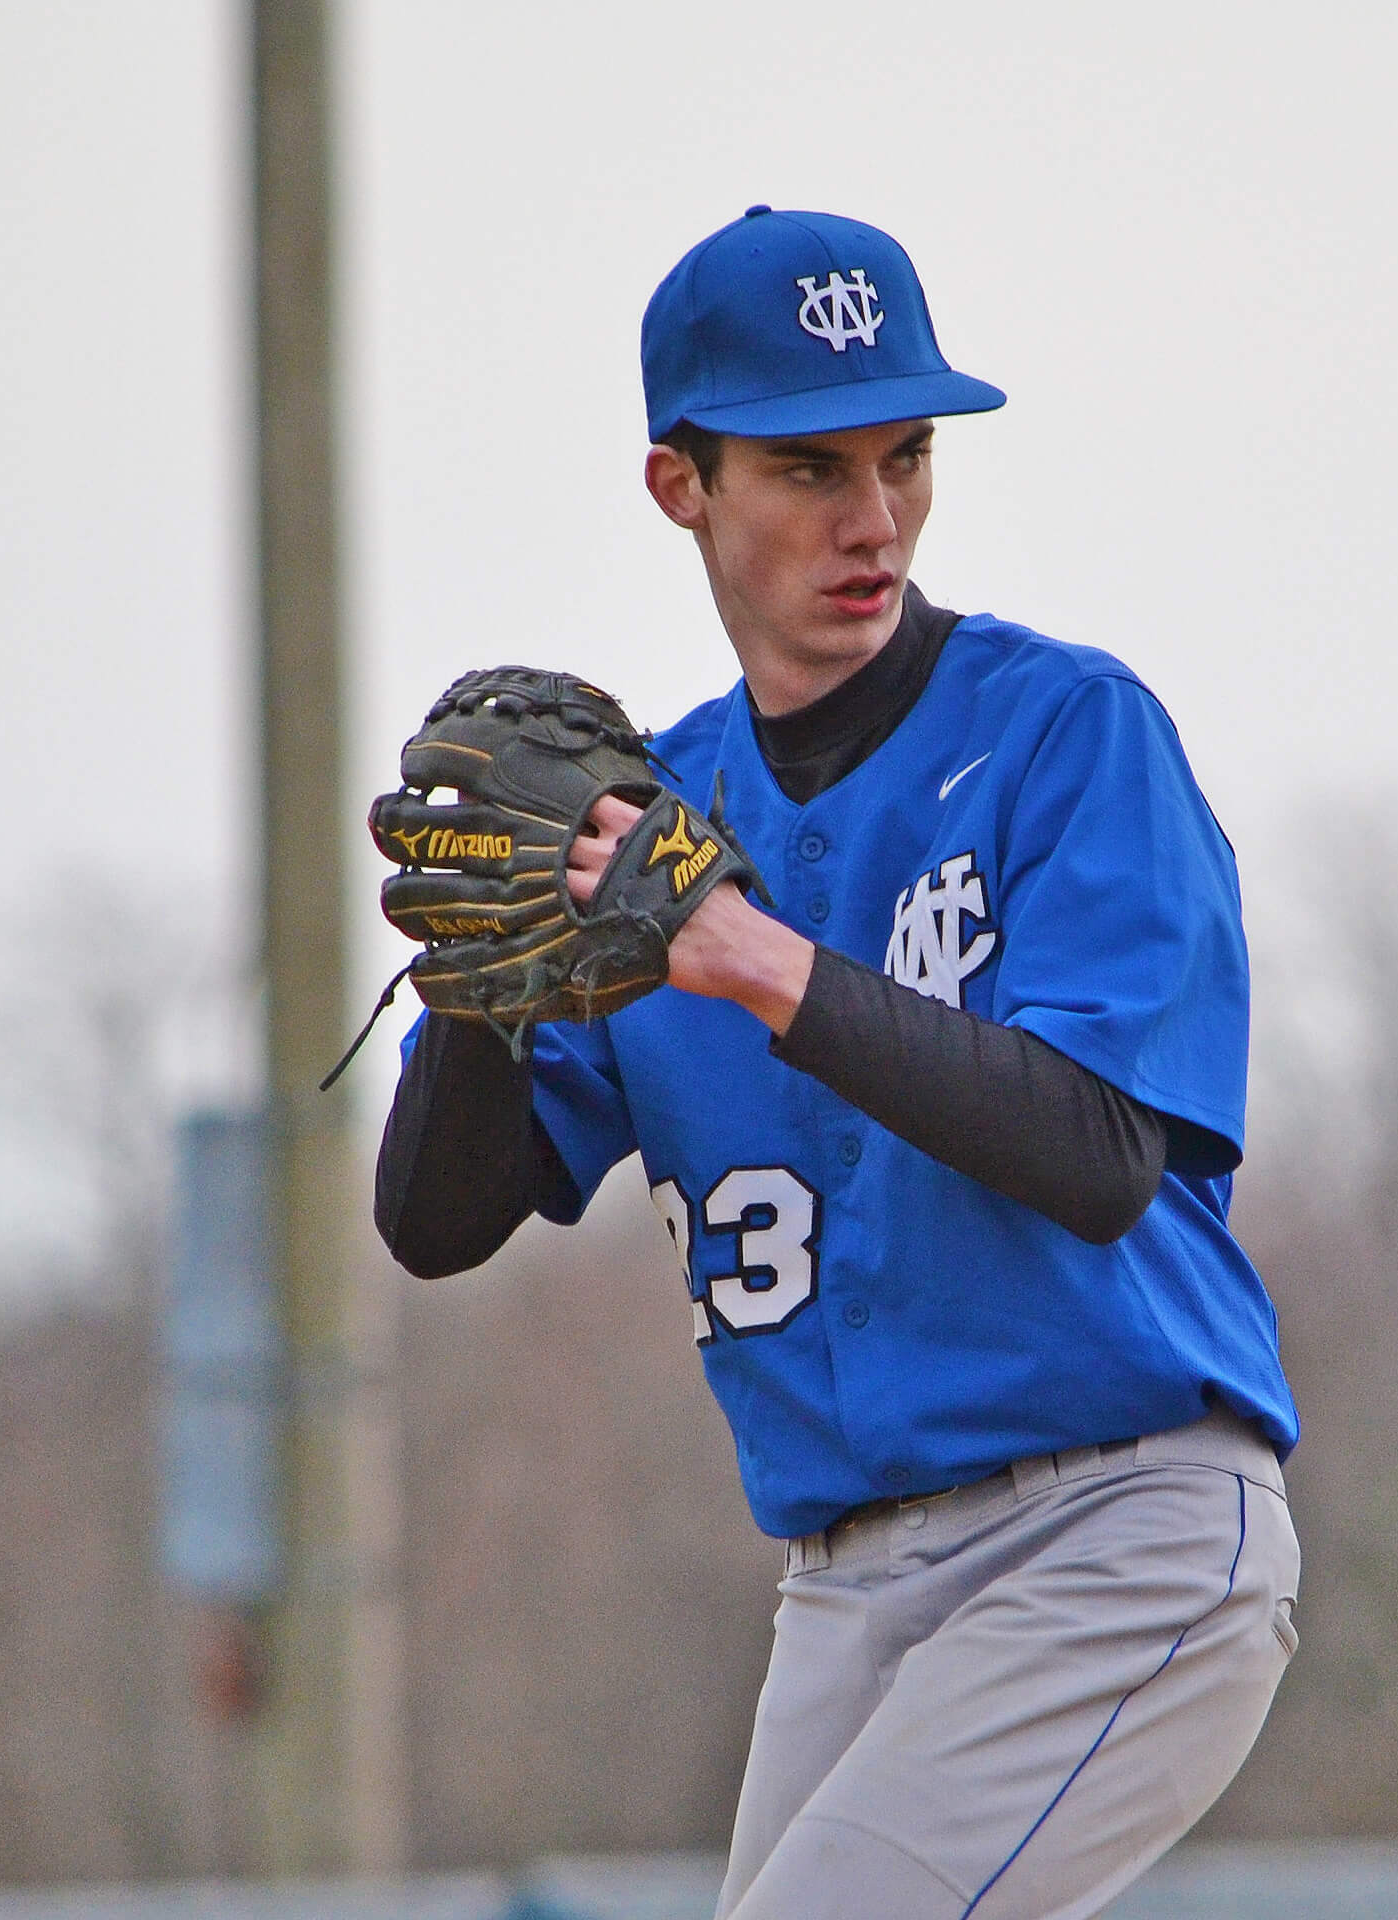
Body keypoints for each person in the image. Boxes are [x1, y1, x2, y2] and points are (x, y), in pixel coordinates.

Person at [373, 206, 1300, 1920]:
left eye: (908, 455)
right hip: (847, 1586)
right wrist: (479, 987)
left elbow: (1102, 1159)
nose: (873, 520)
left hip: (1117, 1531)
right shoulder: (648, 819)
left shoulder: (1065, 735)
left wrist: (754, 957)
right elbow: (438, 1222)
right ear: (684, 486)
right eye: (809, 469)